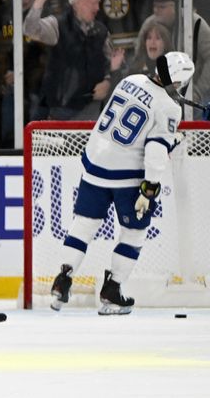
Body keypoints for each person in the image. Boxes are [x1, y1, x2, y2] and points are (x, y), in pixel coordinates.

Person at [50, 51, 195, 315]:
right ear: (179, 83)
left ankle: (62, 280)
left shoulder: (132, 80)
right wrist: (149, 188)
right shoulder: (170, 107)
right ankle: (113, 289)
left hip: (94, 164)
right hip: (126, 177)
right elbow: (154, 150)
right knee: (134, 233)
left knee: (84, 225)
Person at [23, 0, 112, 120]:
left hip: (93, 108)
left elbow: (110, 63)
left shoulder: (101, 31)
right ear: (77, 3)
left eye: (98, 3)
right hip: (62, 110)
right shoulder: (57, 25)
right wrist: (38, 2)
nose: (97, 8)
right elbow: (30, 30)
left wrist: (107, 82)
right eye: (93, 3)